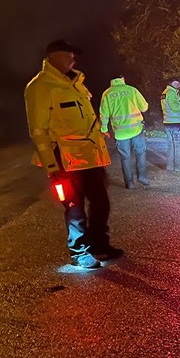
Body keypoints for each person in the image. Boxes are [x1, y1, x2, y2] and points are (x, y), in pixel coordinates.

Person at [24, 39, 123, 268]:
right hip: (65, 160)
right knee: (74, 207)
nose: (73, 59)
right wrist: (52, 168)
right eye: (68, 54)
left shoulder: (77, 83)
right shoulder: (40, 87)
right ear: (52, 56)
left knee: (101, 203)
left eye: (74, 55)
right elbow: (38, 131)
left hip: (90, 157)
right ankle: (79, 251)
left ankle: (100, 244)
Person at [99, 76, 150, 189]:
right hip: (136, 129)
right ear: (122, 78)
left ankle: (130, 182)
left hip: (120, 133)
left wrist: (104, 129)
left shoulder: (107, 94)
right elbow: (144, 107)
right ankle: (142, 177)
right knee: (140, 153)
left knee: (125, 157)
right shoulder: (132, 90)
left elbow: (104, 114)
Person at [161, 80, 180, 172]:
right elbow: (175, 108)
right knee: (178, 145)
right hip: (175, 123)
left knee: (171, 145)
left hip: (168, 122)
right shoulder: (171, 93)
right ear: (174, 83)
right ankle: (178, 166)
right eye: (178, 83)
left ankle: (170, 166)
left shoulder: (165, 92)